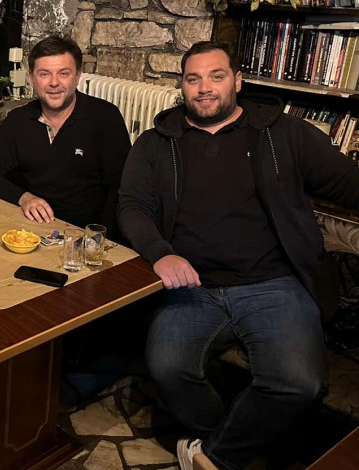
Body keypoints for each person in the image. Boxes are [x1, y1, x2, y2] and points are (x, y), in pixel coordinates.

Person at [117, 41, 359, 470]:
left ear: (238, 80)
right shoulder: (156, 144)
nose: (204, 88)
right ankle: (225, 438)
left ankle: (213, 457)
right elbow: (132, 206)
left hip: (274, 283)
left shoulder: (284, 133)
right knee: (168, 368)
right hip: (192, 286)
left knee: (298, 383)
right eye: (193, 79)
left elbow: (347, 183)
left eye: (216, 76)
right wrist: (160, 254)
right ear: (182, 87)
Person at [0, 34, 131, 235]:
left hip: (85, 235)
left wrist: (101, 239)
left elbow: (121, 190)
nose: (54, 82)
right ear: (31, 78)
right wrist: (24, 198)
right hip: (29, 231)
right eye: (44, 74)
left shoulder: (105, 118)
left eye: (64, 73)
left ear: (78, 75)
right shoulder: (17, 120)